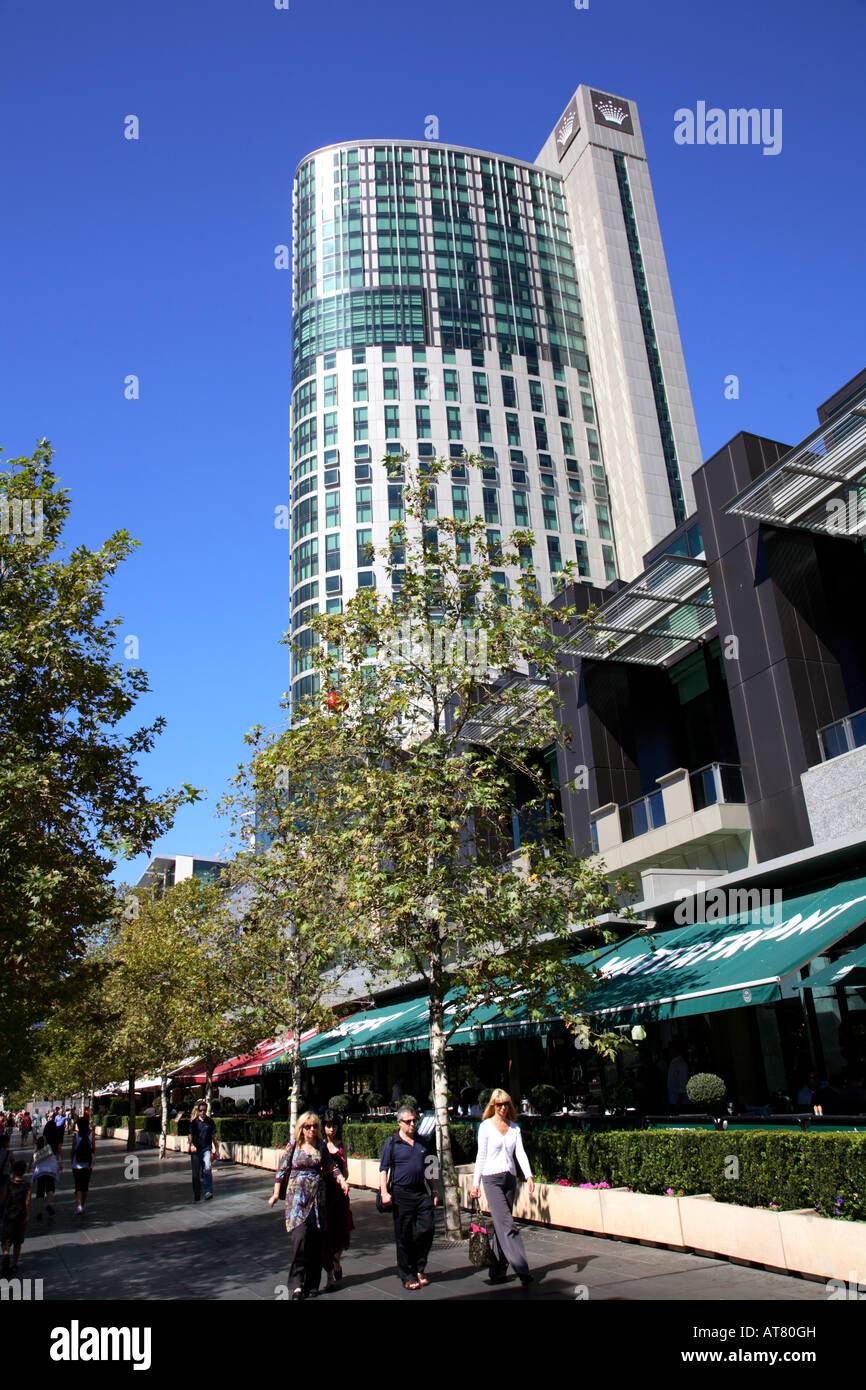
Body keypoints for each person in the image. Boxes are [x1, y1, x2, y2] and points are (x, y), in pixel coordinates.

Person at [268, 1112, 349, 1301]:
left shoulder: (321, 1146)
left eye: (314, 1126)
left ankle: (313, 1283)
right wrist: (275, 1193)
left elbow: (331, 1167)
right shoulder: (294, 1146)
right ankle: (297, 1285)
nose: (312, 1130)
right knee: (300, 1240)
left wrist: (341, 1181)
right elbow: (281, 1170)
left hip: (317, 1200)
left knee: (315, 1242)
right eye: (308, 1127)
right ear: (301, 1128)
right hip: (297, 1201)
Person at [469, 1089, 534, 1286]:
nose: (503, 1108)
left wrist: (529, 1175)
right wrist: (475, 1183)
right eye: (499, 1105)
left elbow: (520, 1153)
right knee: (508, 1225)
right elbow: (481, 1156)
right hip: (491, 1179)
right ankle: (522, 1269)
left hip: (509, 1179)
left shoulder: (514, 1128)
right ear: (492, 1106)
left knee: (501, 1227)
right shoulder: (486, 1127)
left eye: (505, 1104)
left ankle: (497, 1271)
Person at [378, 1105, 438, 1291]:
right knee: (403, 1234)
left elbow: (431, 1167)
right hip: (401, 1193)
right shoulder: (392, 1143)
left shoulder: (423, 1142)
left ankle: (419, 1267)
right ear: (399, 1123)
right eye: (408, 1121)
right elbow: (383, 1169)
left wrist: (434, 1191)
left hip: (422, 1192)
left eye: (415, 1121)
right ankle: (407, 1274)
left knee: (427, 1229)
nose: (413, 1124)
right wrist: (384, 1192)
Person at [322, 1109, 353, 1289]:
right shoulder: (320, 1147)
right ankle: (329, 1275)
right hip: (325, 1195)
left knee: (341, 1230)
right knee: (327, 1234)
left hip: (340, 1195)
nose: (331, 1129)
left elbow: (346, 1172)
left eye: (333, 1126)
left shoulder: (342, 1145)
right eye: (328, 1126)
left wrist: (342, 1174)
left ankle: (336, 1260)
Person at [0, 1161, 31, 1276]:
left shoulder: (8, 1185)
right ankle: (14, 1264)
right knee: (18, 1241)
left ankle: (6, 1253)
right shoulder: (27, 1186)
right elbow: (27, 1202)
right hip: (20, 1215)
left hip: (9, 1215)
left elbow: (2, 1199)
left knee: (6, 1238)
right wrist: (27, 1215)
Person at [188, 1102, 220, 1202]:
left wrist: (217, 1150)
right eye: (201, 1110)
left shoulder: (210, 1122)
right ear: (198, 1111)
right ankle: (197, 1193)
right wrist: (192, 1145)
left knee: (207, 1168)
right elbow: (190, 1136)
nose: (202, 1112)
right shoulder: (194, 1123)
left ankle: (208, 1191)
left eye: (204, 1110)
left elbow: (214, 1137)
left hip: (206, 1149)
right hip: (196, 1151)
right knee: (196, 1174)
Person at [30, 1136, 60, 1220]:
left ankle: (40, 1211)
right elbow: (54, 1160)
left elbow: (34, 1159)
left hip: (40, 1172)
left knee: (40, 1190)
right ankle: (49, 1203)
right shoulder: (49, 1150)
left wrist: (29, 1165)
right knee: (50, 1187)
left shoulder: (38, 1153)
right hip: (50, 1171)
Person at [71, 1118, 95, 1216]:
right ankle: (83, 1205)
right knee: (85, 1186)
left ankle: (79, 1206)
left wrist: (71, 1159)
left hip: (77, 1164)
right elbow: (94, 1148)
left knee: (78, 1186)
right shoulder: (91, 1135)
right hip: (88, 1164)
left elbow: (73, 1149)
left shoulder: (76, 1135)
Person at [666, 1042, 689, 1112]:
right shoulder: (673, 1062)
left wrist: (679, 1101)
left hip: (679, 1102)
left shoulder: (681, 1064)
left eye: (671, 1049)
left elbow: (683, 1084)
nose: (669, 1051)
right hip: (672, 1100)